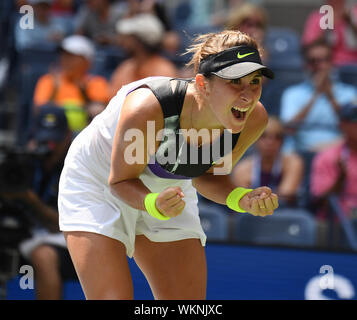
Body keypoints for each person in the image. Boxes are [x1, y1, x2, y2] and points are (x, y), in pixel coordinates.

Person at [58, 29, 279, 300]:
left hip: (170, 187)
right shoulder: (148, 108)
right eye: (235, 82)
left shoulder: (253, 119)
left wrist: (240, 198)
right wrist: (153, 204)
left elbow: (207, 175)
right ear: (203, 84)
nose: (248, 96)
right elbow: (121, 181)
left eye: (255, 81)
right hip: (100, 183)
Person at [1, 104, 77, 299]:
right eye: (45, 140)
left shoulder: (77, 164)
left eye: (55, 141)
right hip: (26, 232)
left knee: (43, 255)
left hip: (69, 239)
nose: (49, 147)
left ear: (68, 136)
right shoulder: (23, 160)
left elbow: (62, 225)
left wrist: (30, 200)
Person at [280, 39, 357, 154]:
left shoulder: (349, 93)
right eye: (313, 61)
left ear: (331, 63)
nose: (319, 66)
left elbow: (352, 128)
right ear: (306, 65)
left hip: (339, 153)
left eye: (324, 60)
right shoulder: (292, 93)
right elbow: (289, 129)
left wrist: (330, 96)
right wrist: (316, 94)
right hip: (303, 152)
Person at [33, 35, 110, 134]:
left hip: (83, 136)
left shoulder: (96, 83)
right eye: (64, 55)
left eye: (71, 57)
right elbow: (39, 109)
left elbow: (99, 110)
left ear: (87, 61)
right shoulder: (48, 80)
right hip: (53, 134)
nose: (65, 60)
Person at [310, 102, 357, 248]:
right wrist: (340, 179)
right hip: (337, 223)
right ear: (342, 125)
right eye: (354, 121)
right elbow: (321, 202)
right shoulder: (327, 157)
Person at [231, 116, 304, 207]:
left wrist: (256, 196)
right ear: (254, 139)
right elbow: (244, 202)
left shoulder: (294, 162)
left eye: (277, 137)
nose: (270, 142)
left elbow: (286, 196)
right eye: (263, 136)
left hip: (284, 213)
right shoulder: (241, 169)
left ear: (283, 141)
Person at [109, 13, 178, 99]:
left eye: (129, 37)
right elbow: (112, 100)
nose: (122, 42)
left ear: (140, 42)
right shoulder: (125, 68)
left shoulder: (164, 71)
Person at [302, 0, 357, 66]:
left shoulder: (354, 13)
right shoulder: (317, 17)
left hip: (353, 63)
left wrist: (350, 22)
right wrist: (329, 24)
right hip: (327, 66)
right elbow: (308, 45)